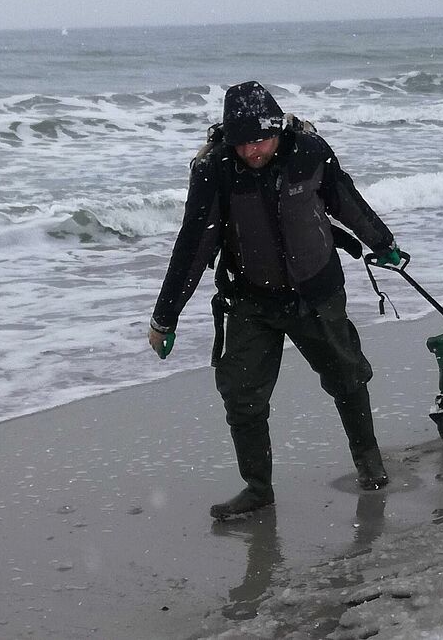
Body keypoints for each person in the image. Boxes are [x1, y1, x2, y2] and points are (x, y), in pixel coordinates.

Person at [148, 81, 401, 521]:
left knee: (347, 376)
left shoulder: (308, 150)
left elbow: (345, 200)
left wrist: (383, 242)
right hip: (251, 301)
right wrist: (165, 317)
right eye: (242, 143)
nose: (252, 151)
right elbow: (194, 246)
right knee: (242, 396)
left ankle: (370, 465)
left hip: (317, 292)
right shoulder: (215, 169)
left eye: (260, 140)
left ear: (278, 129)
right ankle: (257, 489)